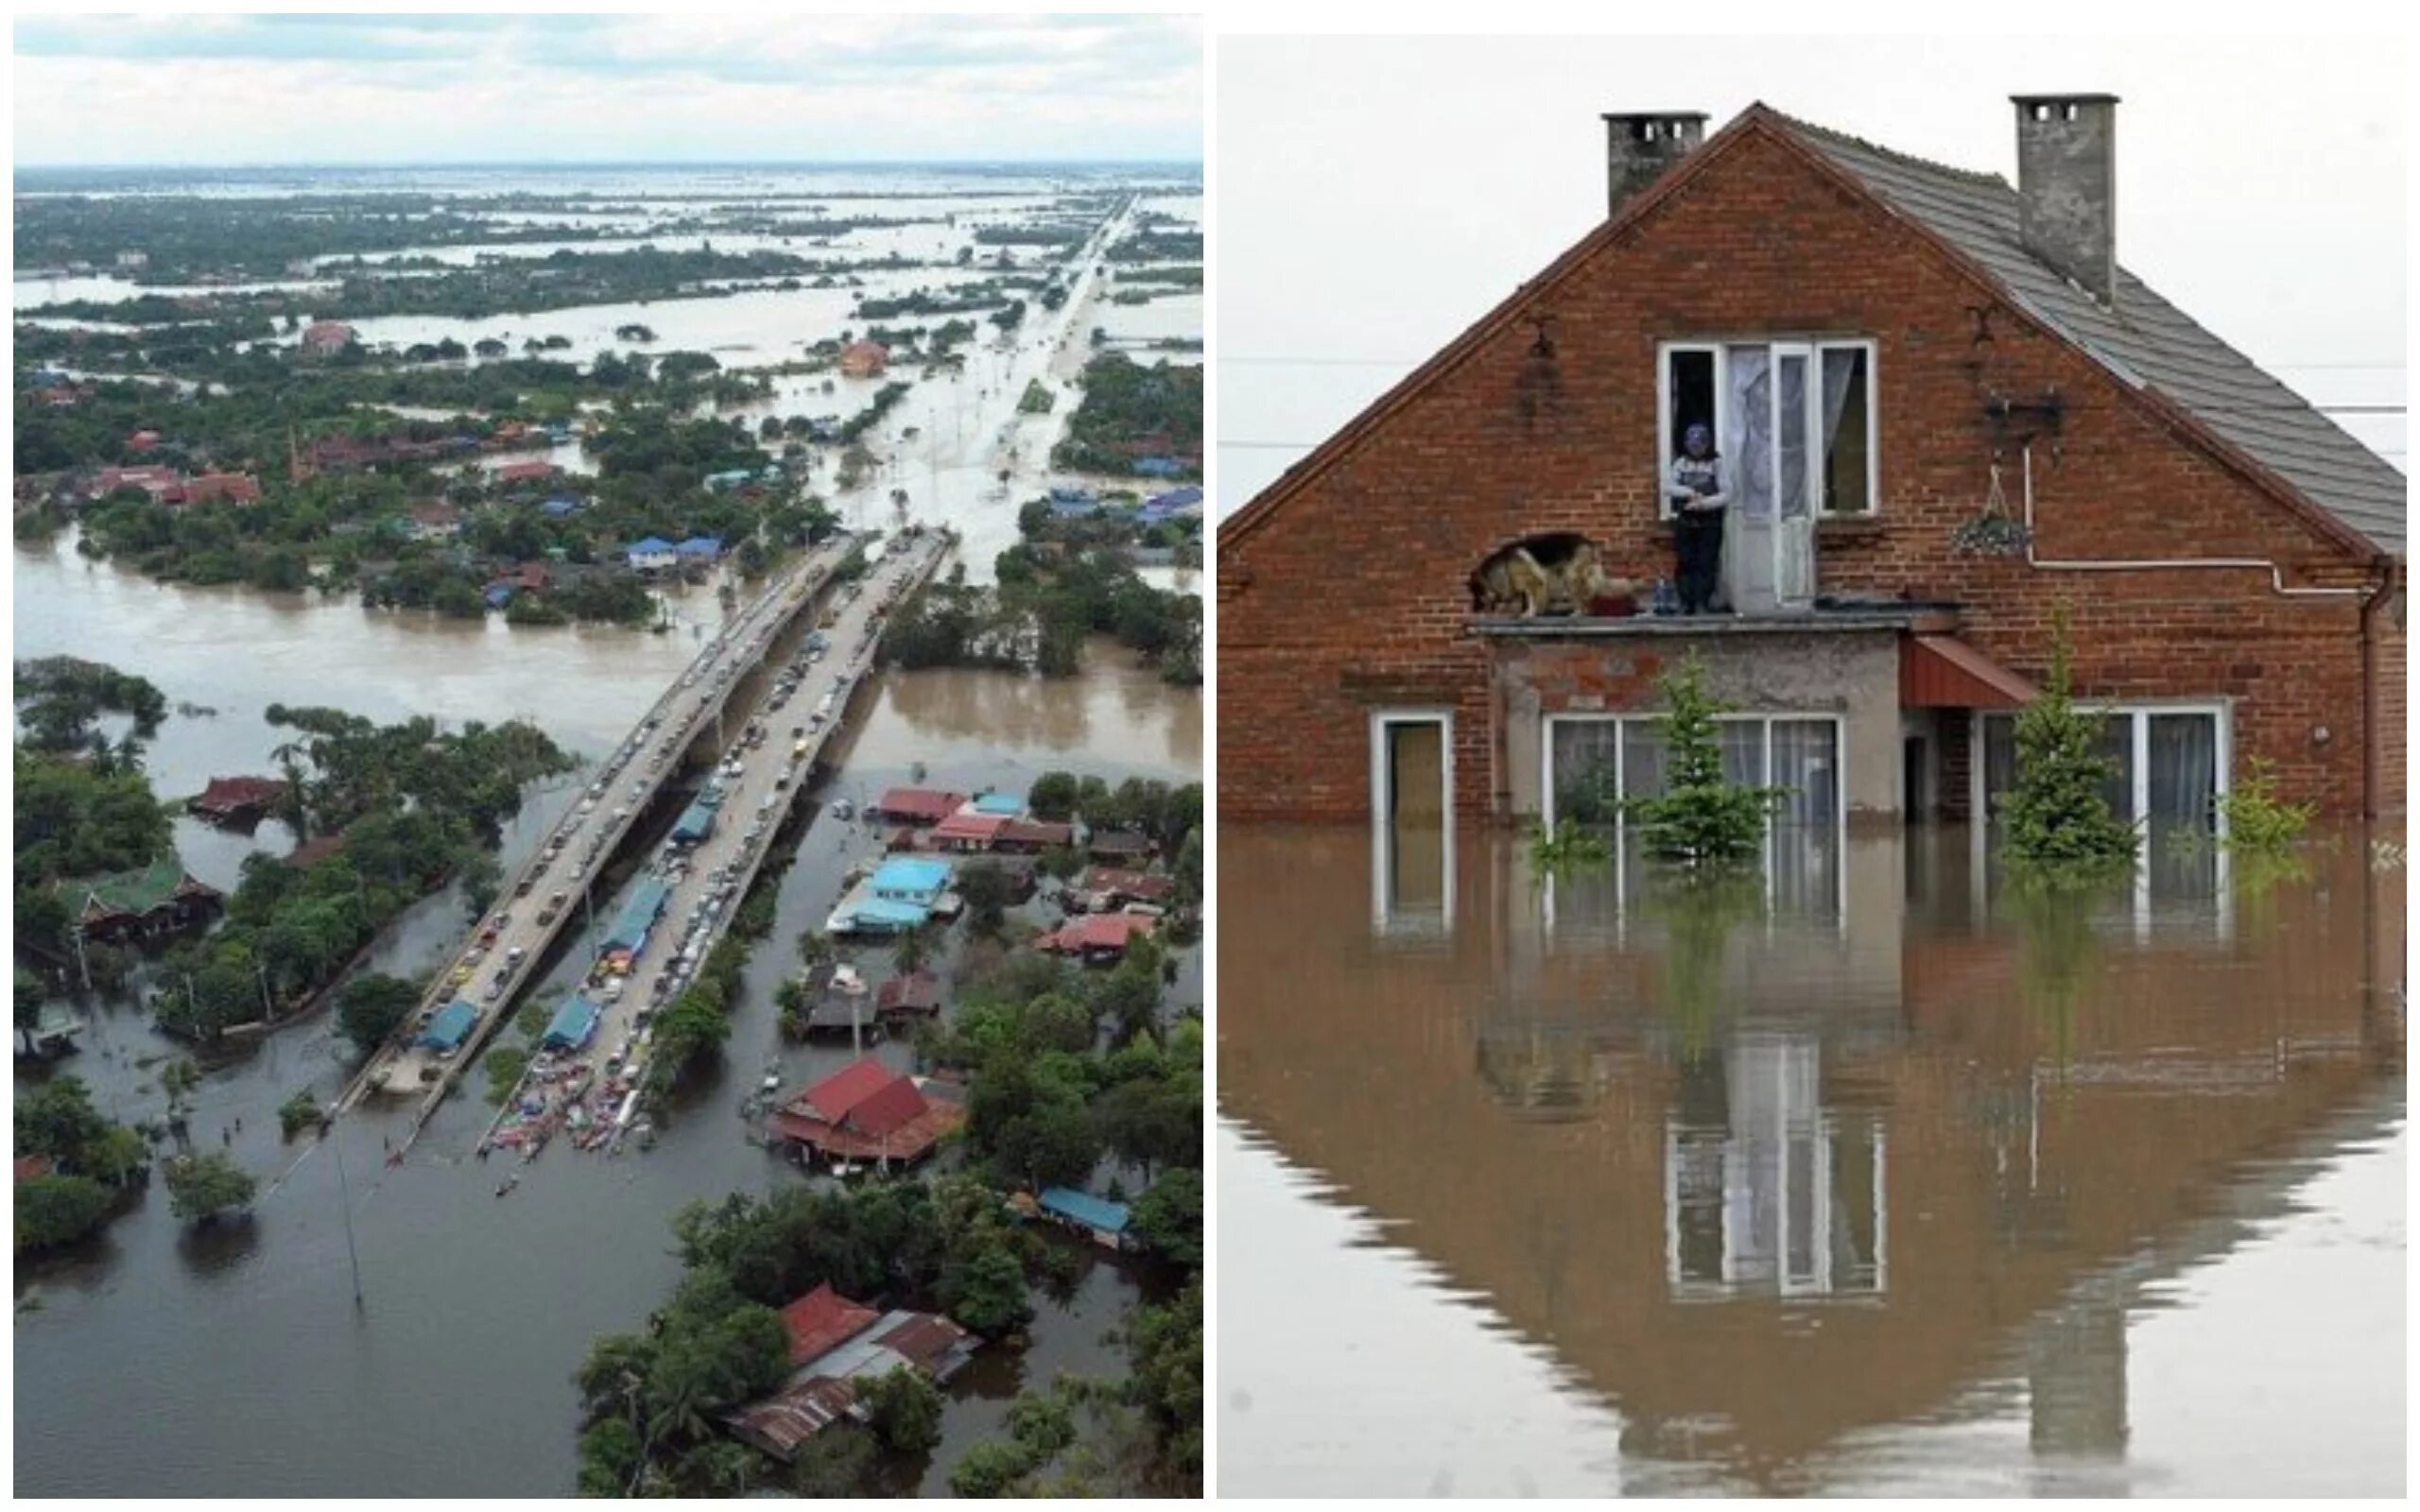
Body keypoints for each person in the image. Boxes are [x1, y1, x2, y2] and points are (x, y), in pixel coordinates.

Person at [1664, 422, 1730, 614]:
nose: (1696, 450)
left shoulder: (1717, 464)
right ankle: (1686, 602)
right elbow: (1668, 486)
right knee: (1685, 562)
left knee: (1706, 562)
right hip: (1686, 519)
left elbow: (1727, 493)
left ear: (1707, 444)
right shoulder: (1681, 464)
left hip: (1709, 520)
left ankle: (1703, 601)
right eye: (1692, 446)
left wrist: (1704, 503)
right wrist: (1688, 493)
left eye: (1700, 446)